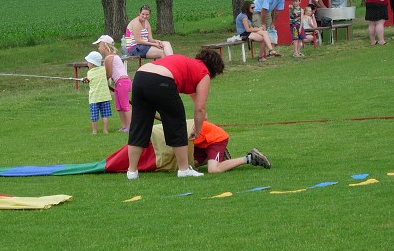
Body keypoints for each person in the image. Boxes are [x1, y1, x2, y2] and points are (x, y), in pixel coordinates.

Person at [126, 50, 225, 179]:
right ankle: (184, 169)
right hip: (161, 81)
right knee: (177, 124)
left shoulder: (189, 64)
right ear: (214, 69)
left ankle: (132, 172)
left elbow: (195, 98)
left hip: (140, 76)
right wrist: (198, 129)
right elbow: (200, 108)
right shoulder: (203, 73)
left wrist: (202, 118)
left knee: (139, 126)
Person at [193, 120, 271, 173]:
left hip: (215, 139)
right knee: (189, 166)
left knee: (213, 169)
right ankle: (215, 157)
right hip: (201, 143)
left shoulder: (183, 131)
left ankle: (251, 157)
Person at [93, 35, 132, 132]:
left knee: (125, 105)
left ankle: (130, 126)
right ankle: (124, 126)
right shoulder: (111, 57)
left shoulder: (109, 58)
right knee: (119, 106)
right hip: (119, 83)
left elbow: (108, 74)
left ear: (105, 46)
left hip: (122, 82)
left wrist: (101, 81)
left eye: (99, 45)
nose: (98, 48)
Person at [83, 51, 112, 134]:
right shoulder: (103, 69)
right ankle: (105, 130)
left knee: (94, 116)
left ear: (92, 63)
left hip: (94, 98)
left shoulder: (90, 72)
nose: (88, 64)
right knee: (105, 115)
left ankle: (94, 131)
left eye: (88, 62)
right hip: (105, 97)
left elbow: (88, 80)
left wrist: (85, 79)